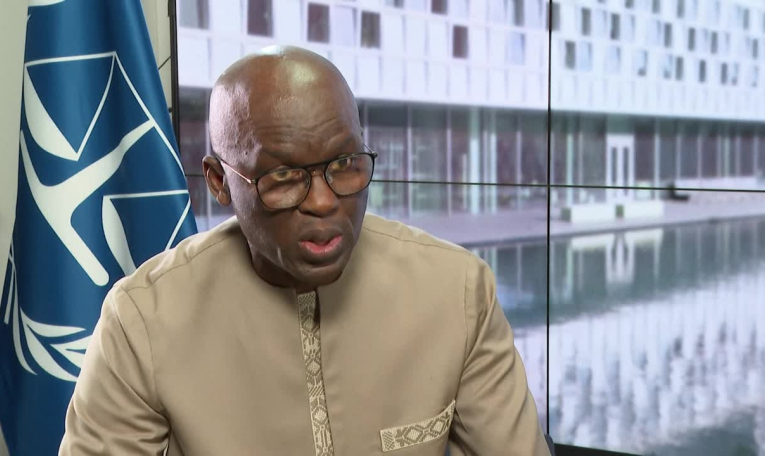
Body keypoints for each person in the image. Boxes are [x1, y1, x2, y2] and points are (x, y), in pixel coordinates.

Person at [59, 46, 551, 456]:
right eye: (284, 176)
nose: (323, 201)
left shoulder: (457, 291)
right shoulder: (142, 321)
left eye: (346, 163)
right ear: (219, 181)